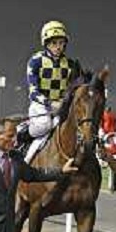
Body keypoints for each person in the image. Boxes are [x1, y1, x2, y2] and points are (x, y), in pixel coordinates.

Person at [24, 19, 82, 162]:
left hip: (61, 106)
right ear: (46, 43)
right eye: (54, 43)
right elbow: (33, 91)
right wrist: (50, 103)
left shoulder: (71, 64)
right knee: (45, 125)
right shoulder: (35, 61)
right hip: (40, 106)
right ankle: (22, 139)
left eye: (61, 43)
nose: (58, 47)